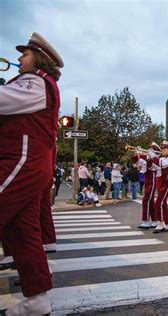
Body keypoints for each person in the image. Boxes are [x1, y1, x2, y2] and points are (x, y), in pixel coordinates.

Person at [0, 32, 63, 315]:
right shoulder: (35, 82)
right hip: (27, 163)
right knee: (24, 233)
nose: (18, 59)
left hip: (20, 161)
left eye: (24, 55)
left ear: (38, 59)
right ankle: (37, 302)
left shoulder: (35, 81)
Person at [132, 143, 160, 229]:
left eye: (152, 149)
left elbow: (152, 166)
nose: (149, 151)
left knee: (146, 200)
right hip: (147, 179)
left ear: (155, 151)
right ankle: (155, 221)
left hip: (152, 178)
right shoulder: (147, 157)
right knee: (150, 201)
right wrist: (137, 153)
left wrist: (147, 157)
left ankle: (146, 221)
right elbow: (136, 163)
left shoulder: (157, 159)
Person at [152, 141, 168, 233]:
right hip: (160, 182)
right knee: (163, 203)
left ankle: (160, 223)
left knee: (158, 202)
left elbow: (163, 164)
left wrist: (153, 156)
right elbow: (153, 167)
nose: (164, 150)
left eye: (166, 148)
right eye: (163, 148)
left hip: (166, 182)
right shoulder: (161, 158)